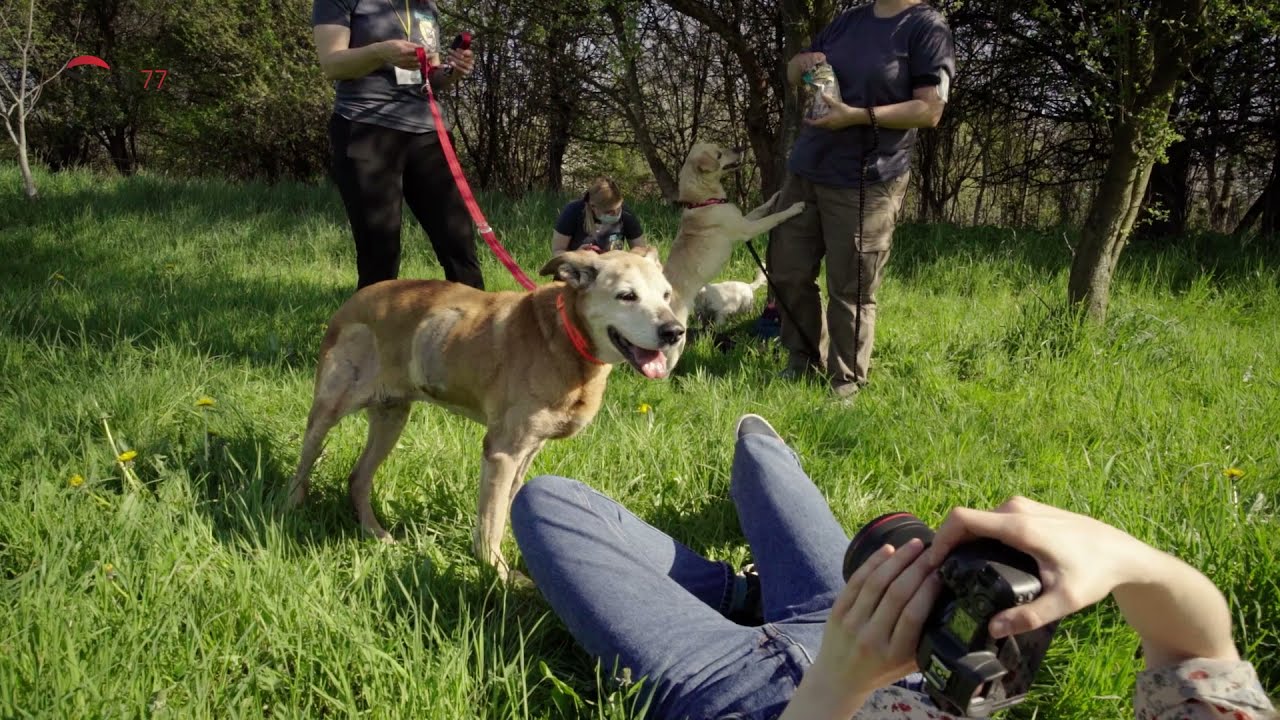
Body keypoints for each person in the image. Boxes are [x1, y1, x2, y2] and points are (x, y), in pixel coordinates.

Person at [511, 414, 1275, 720]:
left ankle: (735, 598)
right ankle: (749, 591)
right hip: (902, 650)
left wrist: (837, 683)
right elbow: (1201, 660)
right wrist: (1133, 561)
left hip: (737, 694)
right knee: (758, 447)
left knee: (547, 500)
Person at [769, 0, 956, 401]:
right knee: (786, 272)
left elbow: (929, 110)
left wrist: (856, 116)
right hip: (807, 169)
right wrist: (802, 65)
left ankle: (845, 382)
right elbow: (795, 70)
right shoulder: (848, 20)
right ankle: (802, 360)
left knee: (850, 286)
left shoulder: (926, 27)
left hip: (865, 178)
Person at [312, 0, 485, 291]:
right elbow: (332, 64)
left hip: (427, 133)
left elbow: (430, 76)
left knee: (459, 244)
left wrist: (452, 71)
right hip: (366, 128)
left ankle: (477, 333)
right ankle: (372, 334)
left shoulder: (426, 6)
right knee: (379, 252)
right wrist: (382, 52)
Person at [551, 177, 647, 255]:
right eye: (609, 211)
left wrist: (623, 259)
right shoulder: (572, 211)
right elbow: (558, 251)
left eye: (619, 208)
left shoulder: (626, 213)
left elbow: (641, 251)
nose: (616, 213)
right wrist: (577, 254)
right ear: (593, 206)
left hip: (610, 272)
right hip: (578, 270)